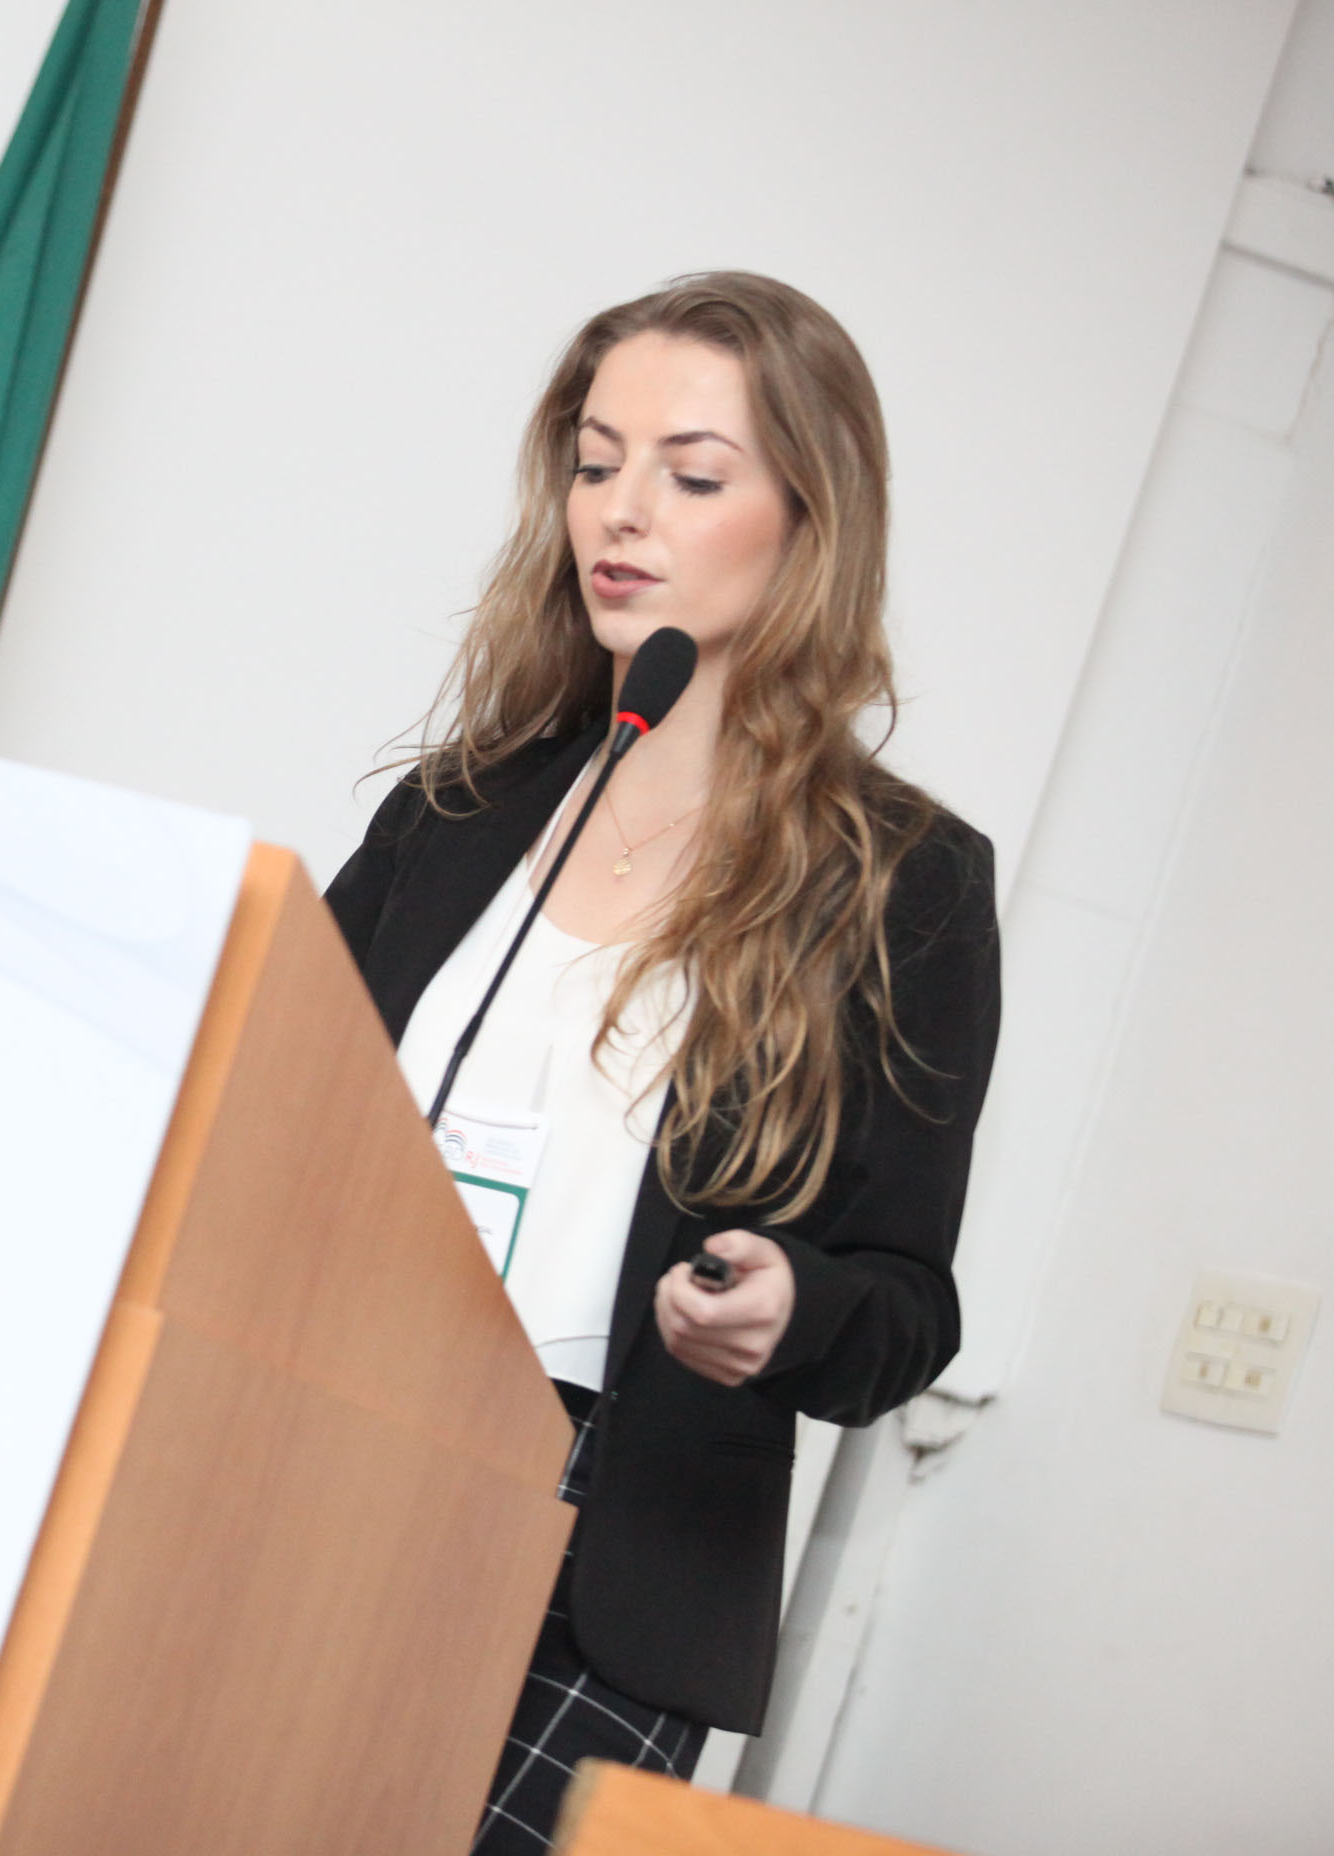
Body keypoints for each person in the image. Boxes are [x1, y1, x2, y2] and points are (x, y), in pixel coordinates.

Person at [323, 272, 1001, 1852]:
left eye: (691, 476)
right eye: (594, 462)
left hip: (602, 1555)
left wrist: (788, 1310)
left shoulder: (902, 885)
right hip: (323, 1437)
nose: (621, 511)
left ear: (811, 520)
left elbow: (906, 1307)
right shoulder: (456, 810)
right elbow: (276, 1094)